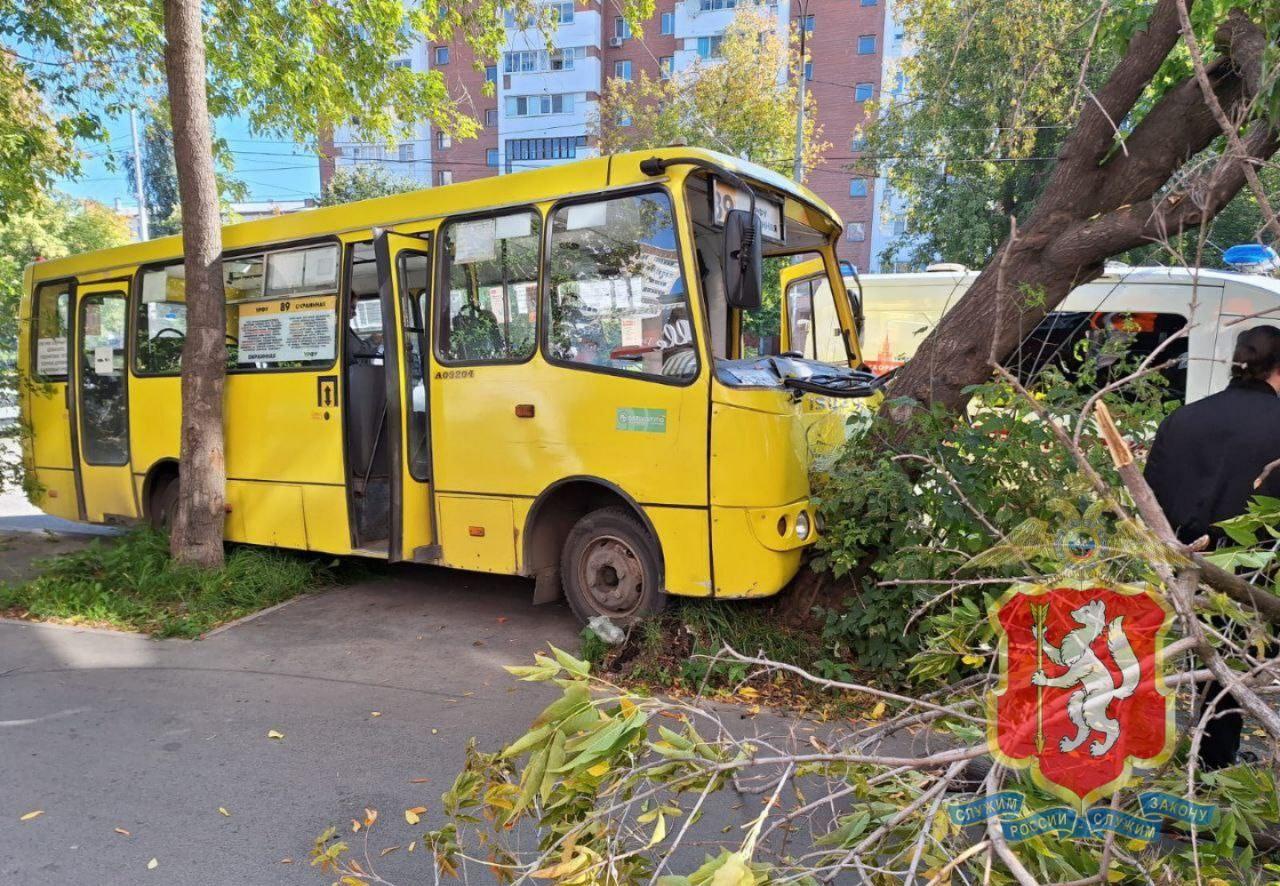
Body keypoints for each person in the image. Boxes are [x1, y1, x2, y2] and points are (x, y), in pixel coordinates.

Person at [1144, 324, 1280, 769]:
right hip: (1257, 574)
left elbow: (1151, 497)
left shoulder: (1184, 418)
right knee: (1230, 670)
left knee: (1205, 666)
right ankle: (1215, 766)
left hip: (1184, 566)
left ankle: (1204, 761)